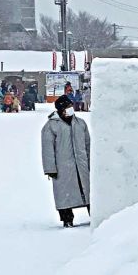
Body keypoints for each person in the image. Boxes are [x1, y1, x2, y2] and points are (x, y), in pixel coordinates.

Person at [41, 94, 91, 228]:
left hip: (82, 165)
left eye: (71, 106)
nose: (70, 109)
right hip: (62, 167)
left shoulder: (80, 123)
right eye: (67, 107)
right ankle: (67, 219)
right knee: (64, 195)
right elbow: (47, 149)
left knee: (88, 191)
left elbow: (88, 145)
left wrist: (92, 163)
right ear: (60, 110)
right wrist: (50, 168)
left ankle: (94, 215)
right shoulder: (51, 126)